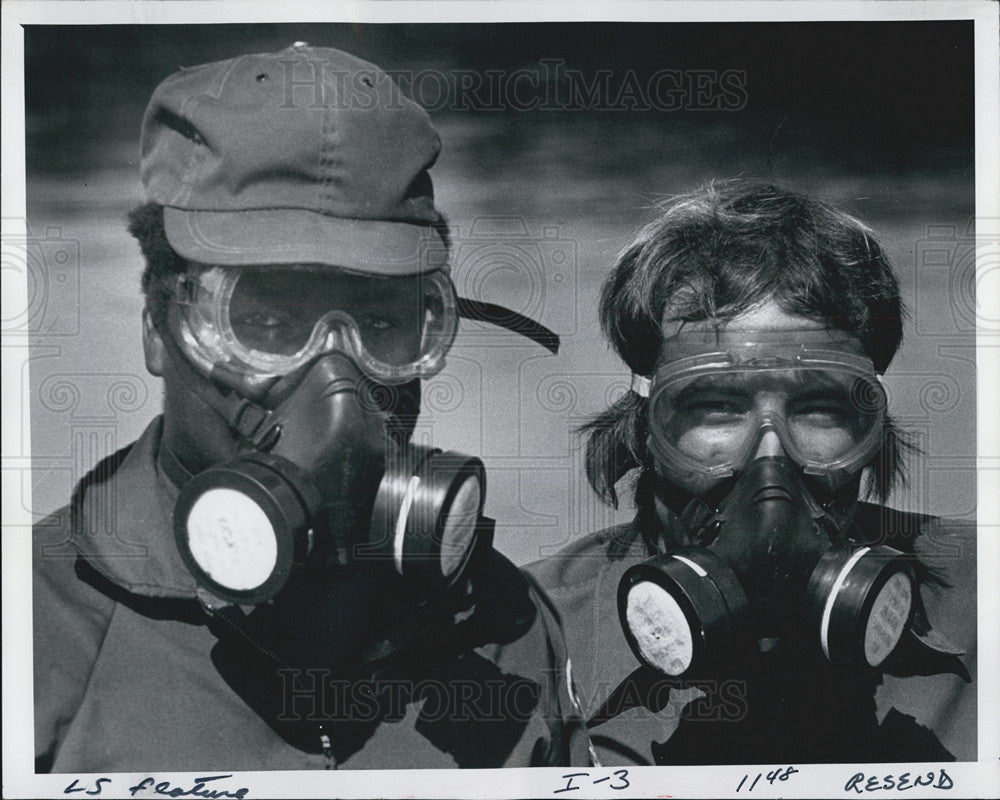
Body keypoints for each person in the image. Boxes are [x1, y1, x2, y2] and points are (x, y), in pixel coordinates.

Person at [33, 43, 588, 772]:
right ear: (159, 333)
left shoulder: (501, 624)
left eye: (384, 322)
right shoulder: (40, 635)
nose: (339, 388)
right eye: (265, 322)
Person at [528, 182, 976, 766]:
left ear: (872, 431)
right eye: (716, 406)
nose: (771, 466)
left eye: (819, 407)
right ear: (643, 426)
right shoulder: (529, 636)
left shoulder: (978, 604)